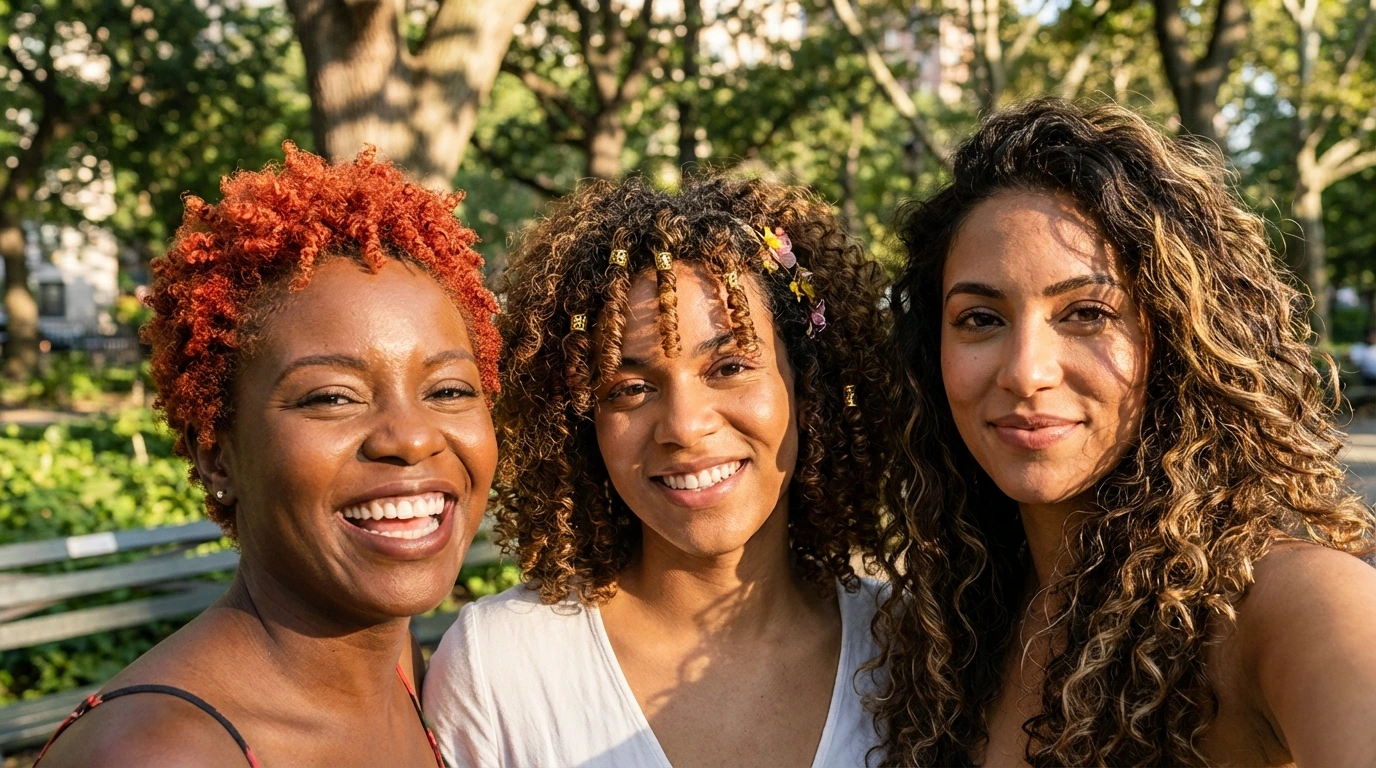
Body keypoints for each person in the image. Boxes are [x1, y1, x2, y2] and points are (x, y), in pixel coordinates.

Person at [873, 99, 1376, 767]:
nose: (1026, 371)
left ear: (1176, 338)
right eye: (980, 319)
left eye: (1086, 312)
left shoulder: (1290, 606)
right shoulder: (947, 632)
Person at [35, 143, 502, 766]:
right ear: (217, 458)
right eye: (332, 397)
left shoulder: (407, 673)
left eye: (448, 390)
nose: (411, 438)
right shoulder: (162, 754)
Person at [424, 173, 895, 767]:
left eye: (728, 367)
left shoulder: (912, 651)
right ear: (584, 422)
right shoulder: (500, 668)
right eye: (631, 387)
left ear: (808, 392)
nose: (683, 426)